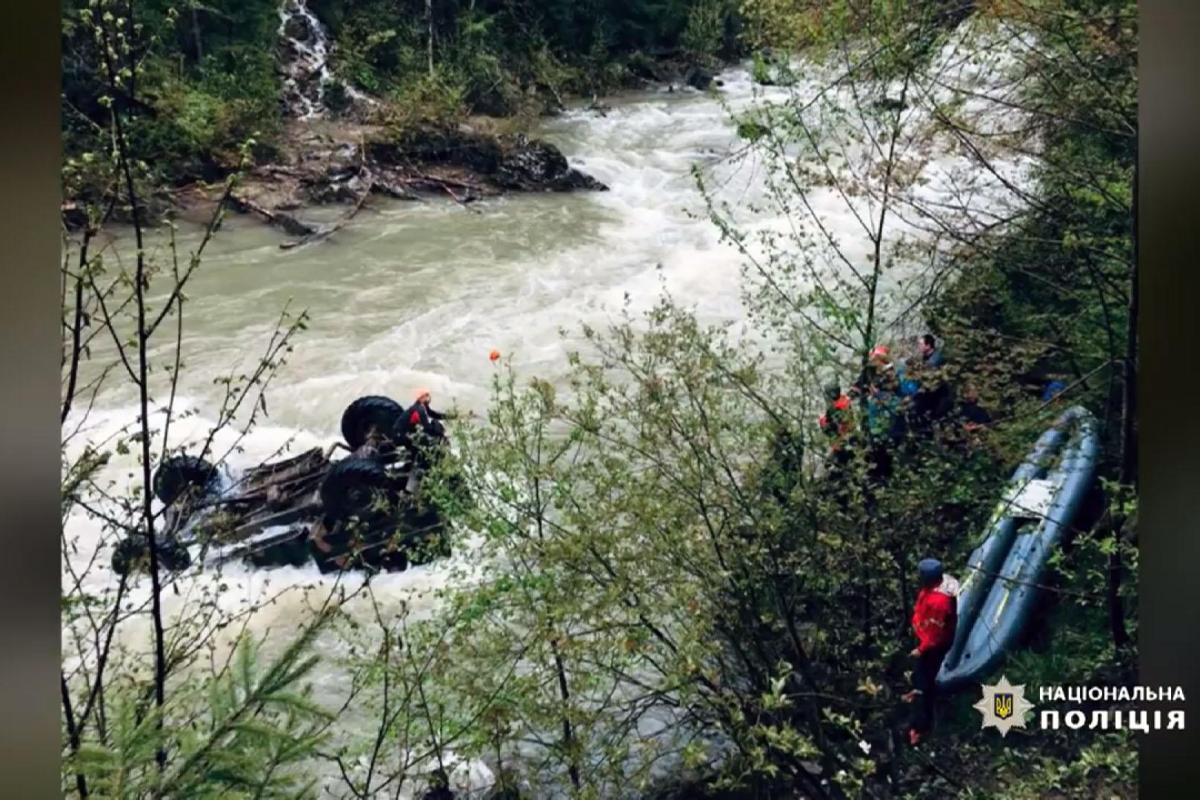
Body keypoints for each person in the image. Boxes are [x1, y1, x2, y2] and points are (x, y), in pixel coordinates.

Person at [904, 558, 959, 745]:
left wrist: (921, 649)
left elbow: (936, 633)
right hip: (926, 636)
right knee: (921, 673)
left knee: (925, 681)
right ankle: (917, 691)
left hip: (934, 644)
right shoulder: (936, 589)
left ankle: (920, 727)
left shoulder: (939, 602)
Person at [399, 389, 456, 493]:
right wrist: (440, 434)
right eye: (426, 396)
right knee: (422, 447)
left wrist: (453, 416)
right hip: (403, 435)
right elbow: (427, 427)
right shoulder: (419, 409)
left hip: (410, 432)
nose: (429, 398)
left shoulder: (423, 408)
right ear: (421, 398)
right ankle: (413, 484)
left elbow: (435, 415)